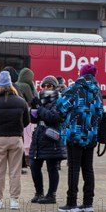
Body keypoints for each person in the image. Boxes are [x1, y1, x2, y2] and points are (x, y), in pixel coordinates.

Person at [56, 64, 104, 212]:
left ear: (82, 74)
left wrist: (68, 119)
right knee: (88, 168)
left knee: (74, 168)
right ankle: (88, 203)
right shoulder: (97, 90)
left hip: (75, 134)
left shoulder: (75, 88)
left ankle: (71, 203)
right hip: (90, 134)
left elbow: (60, 106)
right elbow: (101, 113)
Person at [0, 71, 30, 210]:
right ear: (11, 85)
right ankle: (14, 200)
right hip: (16, 139)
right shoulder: (21, 102)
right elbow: (26, 122)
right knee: (15, 171)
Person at [29, 75, 66, 204]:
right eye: (44, 86)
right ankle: (39, 192)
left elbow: (53, 117)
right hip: (39, 138)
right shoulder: (41, 100)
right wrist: (33, 109)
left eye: (49, 86)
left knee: (52, 167)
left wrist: (39, 109)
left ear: (55, 88)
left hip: (51, 139)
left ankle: (51, 195)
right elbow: (34, 120)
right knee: (34, 166)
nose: (45, 88)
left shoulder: (59, 101)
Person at [15, 67, 38, 175]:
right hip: (26, 113)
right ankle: (27, 159)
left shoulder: (15, 84)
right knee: (27, 138)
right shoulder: (26, 86)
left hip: (16, 114)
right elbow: (31, 99)